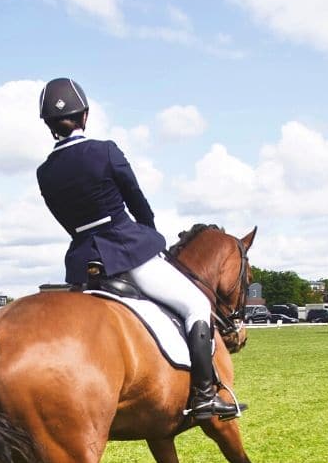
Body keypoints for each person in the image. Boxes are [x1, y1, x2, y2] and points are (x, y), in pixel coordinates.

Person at [35, 77, 238, 420]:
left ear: (49, 126)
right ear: (84, 115)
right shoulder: (105, 151)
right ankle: (205, 396)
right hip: (128, 250)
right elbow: (138, 203)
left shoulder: (45, 172)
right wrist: (149, 239)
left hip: (84, 264)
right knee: (195, 305)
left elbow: (66, 220)